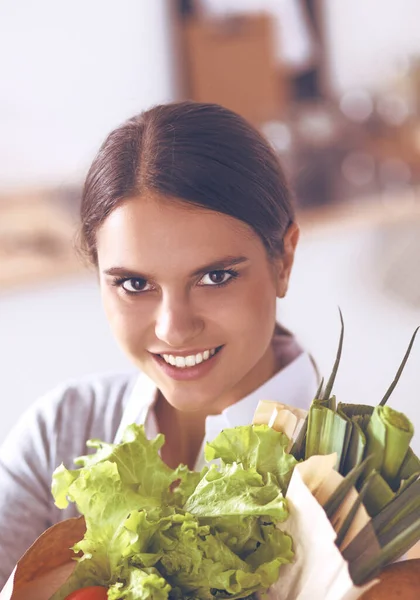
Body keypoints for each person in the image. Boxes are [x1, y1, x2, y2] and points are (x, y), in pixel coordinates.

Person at [0, 101, 318, 587]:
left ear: (284, 261)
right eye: (133, 284)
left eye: (215, 276)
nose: (173, 328)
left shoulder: (355, 494)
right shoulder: (59, 433)